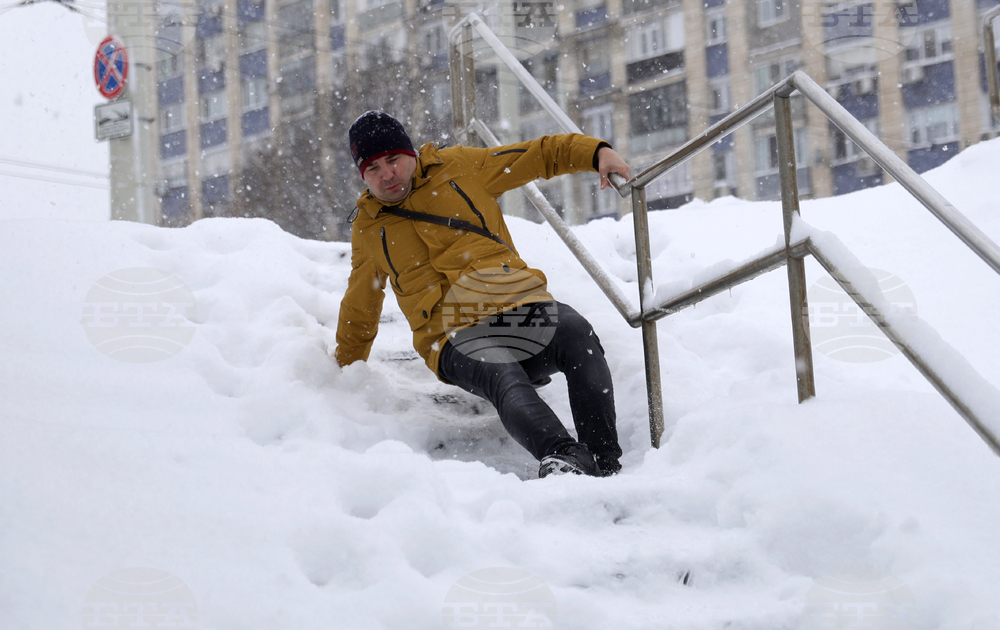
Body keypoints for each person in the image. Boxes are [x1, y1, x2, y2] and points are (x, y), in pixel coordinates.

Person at [335, 110, 631, 478]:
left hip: (515, 302)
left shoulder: (459, 167)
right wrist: (341, 374)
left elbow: (537, 155)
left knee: (576, 334)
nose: (386, 174)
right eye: (373, 168)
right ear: (363, 175)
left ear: (410, 154)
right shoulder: (368, 228)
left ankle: (605, 460)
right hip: (451, 336)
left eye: (393, 160)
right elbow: (360, 307)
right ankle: (564, 456)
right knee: (500, 372)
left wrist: (596, 152)